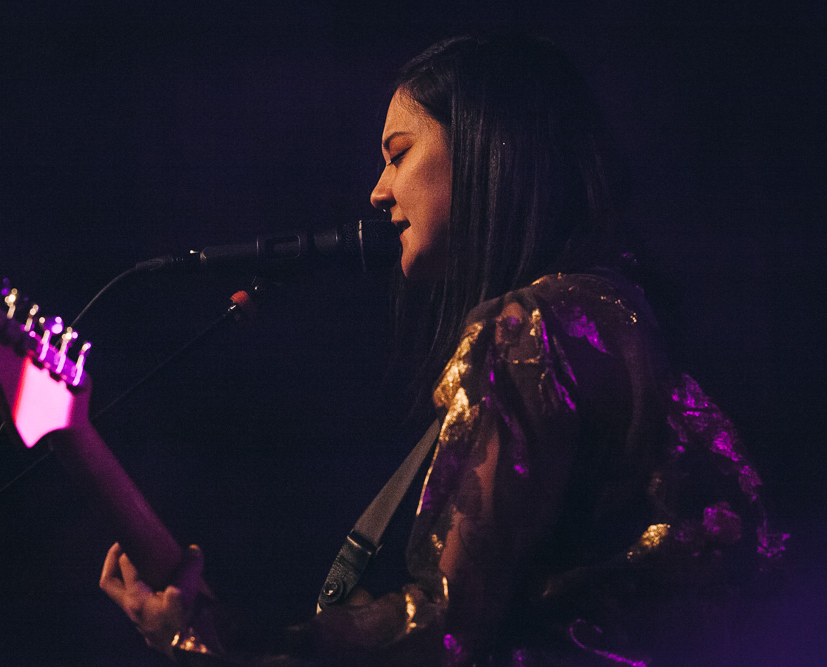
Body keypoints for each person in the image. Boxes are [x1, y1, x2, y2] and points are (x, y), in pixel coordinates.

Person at [99, 34, 785, 665]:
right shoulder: (618, 311)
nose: (378, 190)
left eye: (398, 154)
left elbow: (446, 632)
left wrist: (213, 642)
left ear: (488, 150)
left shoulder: (532, 329)